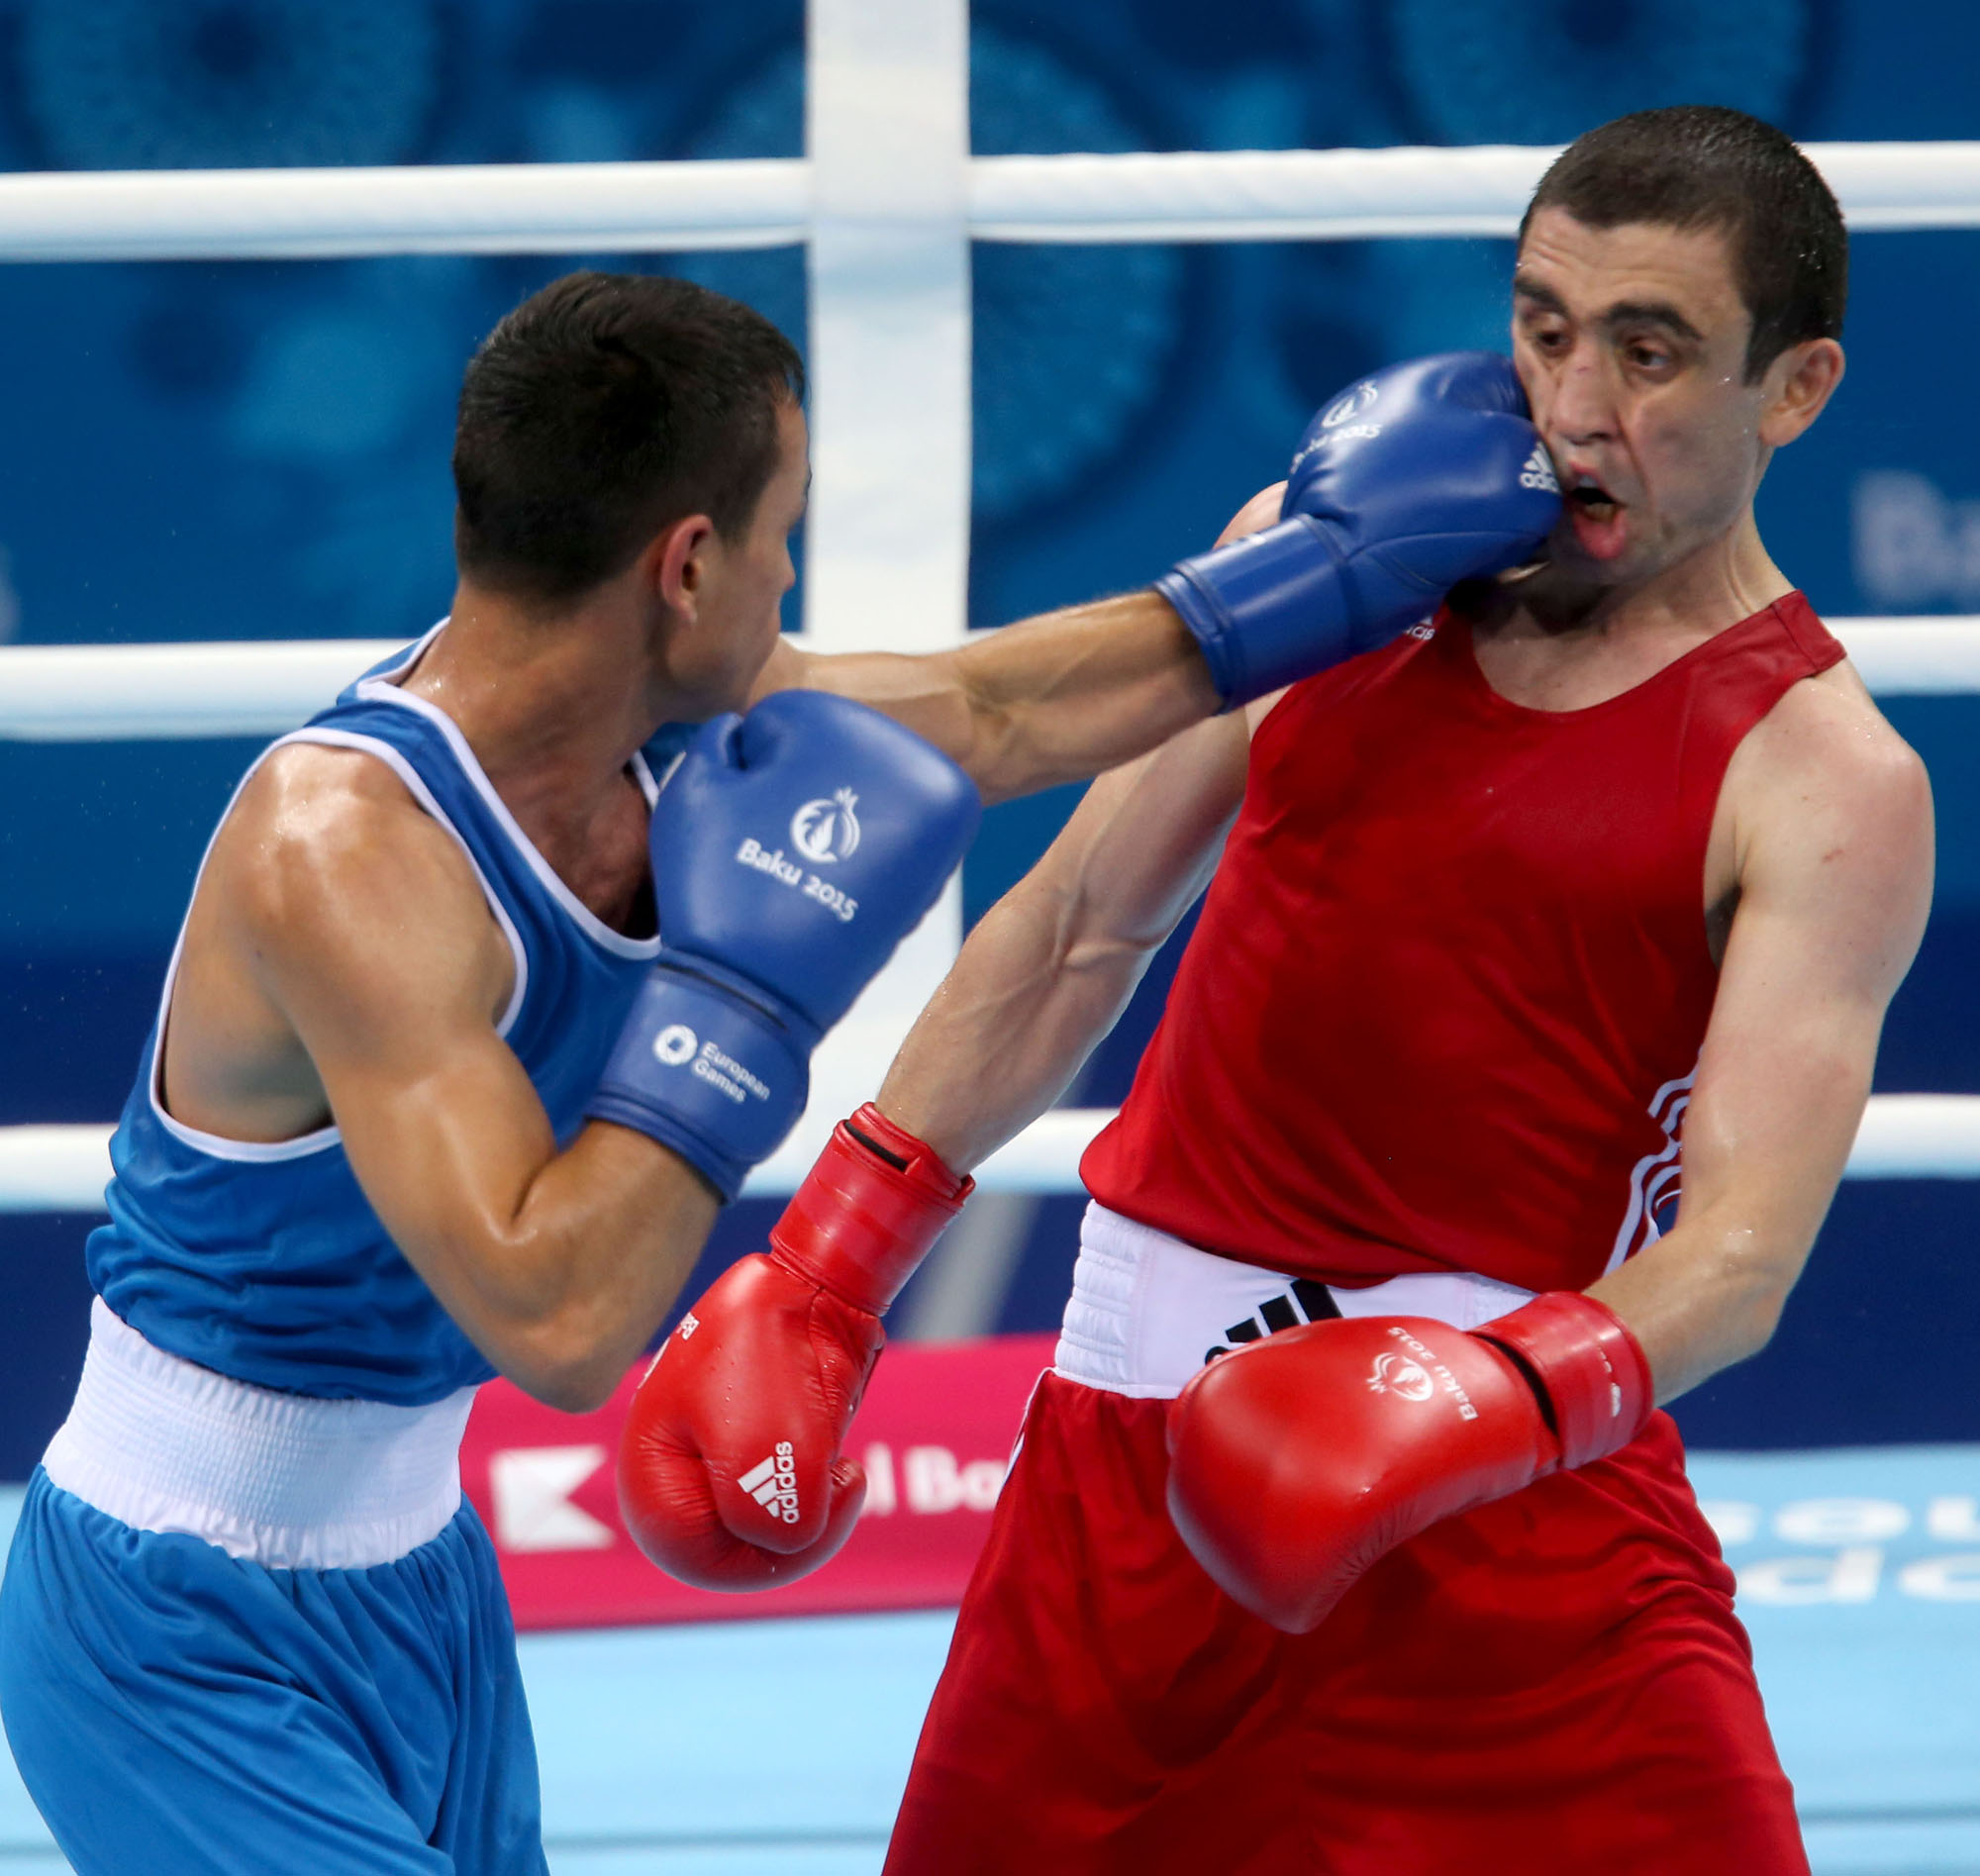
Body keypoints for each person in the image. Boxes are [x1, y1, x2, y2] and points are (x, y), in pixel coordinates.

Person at [0, 262, 1551, 1875]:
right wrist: (741, 1003)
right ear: (687, 565)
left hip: (418, 1581)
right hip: (172, 1623)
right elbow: (562, 1323)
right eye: (780, 533)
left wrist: (1329, 581)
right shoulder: (342, 854)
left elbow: (1000, 707)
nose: (791, 575)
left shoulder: (667, 736)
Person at [623, 108, 1935, 1873]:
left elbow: (1740, 1258)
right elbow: (1080, 925)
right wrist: (827, 1270)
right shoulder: (1338, 568)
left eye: (1651, 353)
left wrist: (1484, 1400)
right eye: (1545, 328)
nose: (1573, 405)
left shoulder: (1822, 775)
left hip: (1520, 1511)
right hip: (1129, 1484)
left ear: (1797, 389)